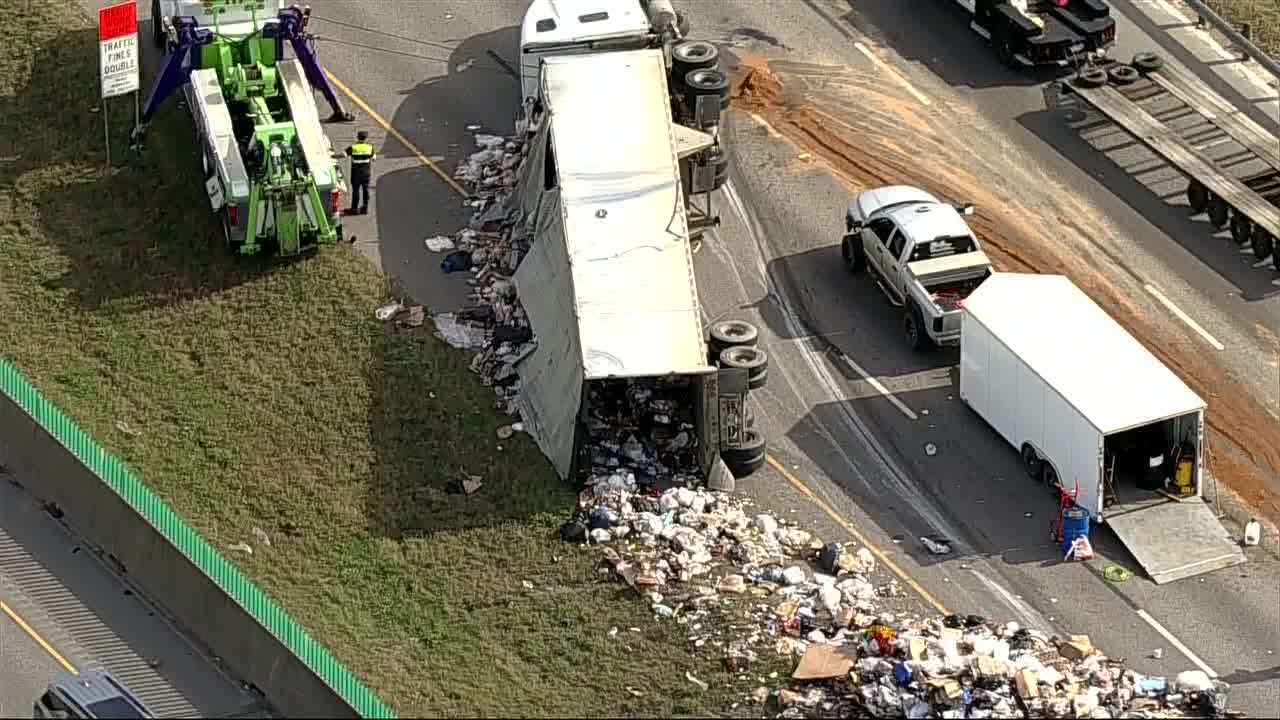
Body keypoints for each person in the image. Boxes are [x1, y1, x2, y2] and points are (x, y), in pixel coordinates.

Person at [343, 131, 375, 215]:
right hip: (366, 173)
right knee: (365, 190)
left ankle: (354, 209)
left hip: (356, 173)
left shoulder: (353, 147)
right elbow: (374, 158)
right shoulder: (370, 147)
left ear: (357, 137)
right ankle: (365, 208)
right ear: (366, 138)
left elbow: (343, 155)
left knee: (356, 191)